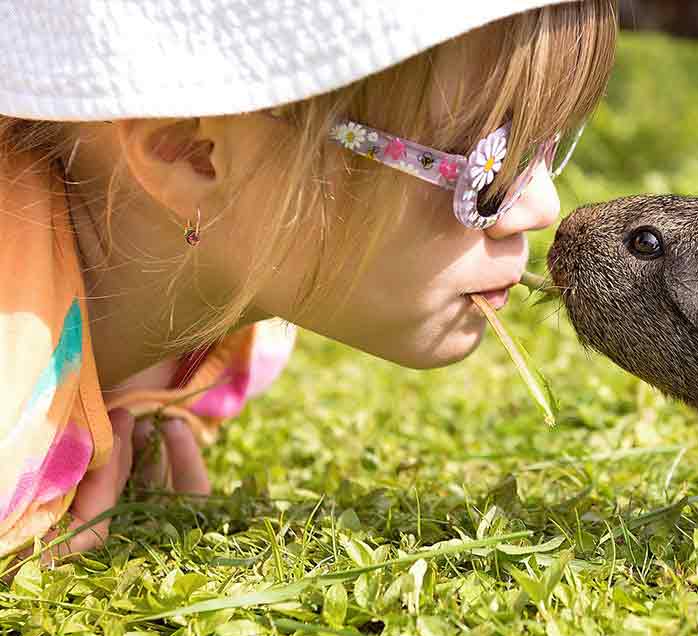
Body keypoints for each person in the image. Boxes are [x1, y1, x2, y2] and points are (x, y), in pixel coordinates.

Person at [0, 0, 617, 561]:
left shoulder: (242, 318)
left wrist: (135, 398)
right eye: (488, 168)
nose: (542, 207)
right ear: (193, 154)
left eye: (547, 144)